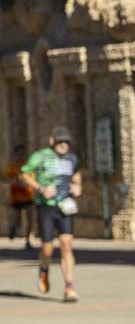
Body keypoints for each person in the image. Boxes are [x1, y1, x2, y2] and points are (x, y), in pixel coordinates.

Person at [21, 127, 82, 301]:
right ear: (52, 141)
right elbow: (23, 174)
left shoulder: (72, 158)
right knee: (47, 249)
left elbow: (77, 175)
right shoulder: (39, 156)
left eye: (67, 142)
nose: (64, 145)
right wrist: (40, 188)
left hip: (65, 205)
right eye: (60, 142)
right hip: (46, 206)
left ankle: (69, 287)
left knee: (66, 245)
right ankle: (44, 268)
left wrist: (78, 187)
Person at [4, 144, 35, 249]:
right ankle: (12, 227)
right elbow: (5, 178)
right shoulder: (12, 167)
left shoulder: (28, 166)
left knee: (29, 218)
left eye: (22, 154)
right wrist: (14, 181)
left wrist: (27, 184)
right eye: (19, 154)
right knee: (16, 217)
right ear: (15, 155)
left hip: (28, 196)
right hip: (16, 196)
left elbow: (33, 179)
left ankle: (28, 240)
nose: (20, 156)